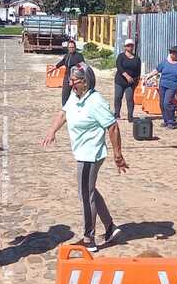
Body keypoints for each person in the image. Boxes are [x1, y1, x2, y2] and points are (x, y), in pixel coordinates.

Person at [42, 63, 128, 252]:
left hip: (91, 154)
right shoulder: (75, 96)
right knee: (90, 191)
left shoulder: (95, 101)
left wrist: (118, 154)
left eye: (74, 81)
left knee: (85, 194)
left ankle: (89, 239)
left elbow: (112, 126)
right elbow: (63, 113)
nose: (71, 84)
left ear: (85, 82)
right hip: (82, 152)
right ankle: (111, 227)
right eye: (70, 80)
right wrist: (52, 131)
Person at [144, 46, 177, 129]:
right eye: (171, 52)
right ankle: (166, 120)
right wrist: (148, 76)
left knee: (166, 103)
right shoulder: (165, 62)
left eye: (174, 52)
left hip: (173, 86)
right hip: (163, 85)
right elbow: (156, 70)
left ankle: (172, 122)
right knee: (161, 103)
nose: (172, 54)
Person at [46, 40, 86, 106]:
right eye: (70, 47)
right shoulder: (67, 55)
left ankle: (79, 108)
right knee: (65, 95)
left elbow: (83, 66)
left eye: (72, 47)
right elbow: (62, 62)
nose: (71, 49)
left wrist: (78, 79)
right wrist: (54, 68)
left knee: (78, 95)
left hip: (76, 78)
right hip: (67, 77)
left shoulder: (79, 56)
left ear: (75, 47)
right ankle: (64, 108)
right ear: (68, 48)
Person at [112, 39, 141, 121]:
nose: (130, 47)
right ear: (125, 47)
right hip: (120, 81)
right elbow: (119, 67)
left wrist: (136, 80)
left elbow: (138, 71)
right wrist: (127, 76)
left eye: (131, 45)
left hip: (130, 83)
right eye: (128, 45)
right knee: (118, 97)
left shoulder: (136, 58)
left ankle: (130, 116)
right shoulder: (121, 56)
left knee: (129, 98)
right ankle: (117, 114)